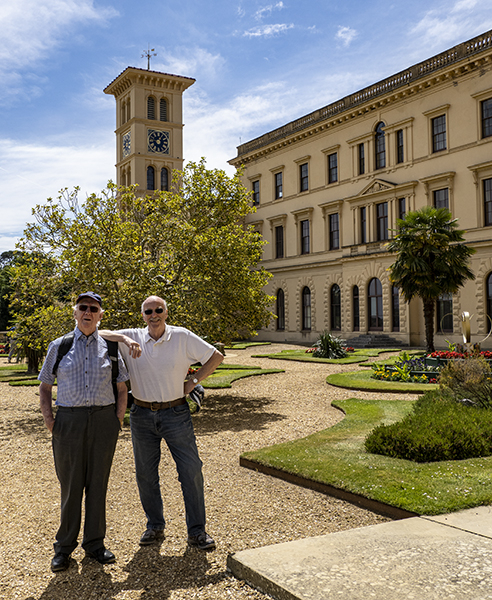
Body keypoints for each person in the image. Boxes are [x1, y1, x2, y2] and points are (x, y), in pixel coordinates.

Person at [101, 295, 223, 550]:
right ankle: (155, 526)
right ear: (142, 315)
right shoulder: (132, 335)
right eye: (148, 311)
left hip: (175, 412)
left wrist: (195, 381)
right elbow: (98, 331)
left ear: (166, 313)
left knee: (191, 472)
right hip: (141, 415)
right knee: (145, 474)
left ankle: (197, 531)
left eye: (158, 310)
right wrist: (124, 339)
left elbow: (216, 356)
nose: (153, 315)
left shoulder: (182, 336)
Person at [38, 292, 133, 573]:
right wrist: (50, 421)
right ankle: (64, 548)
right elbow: (44, 386)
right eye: (83, 308)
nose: (88, 312)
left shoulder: (111, 349)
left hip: (104, 421)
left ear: (100, 315)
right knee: (70, 486)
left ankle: (94, 544)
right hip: (68, 422)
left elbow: (122, 387)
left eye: (94, 308)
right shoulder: (60, 346)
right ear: (75, 313)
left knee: (98, 485)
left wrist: (116, 420)